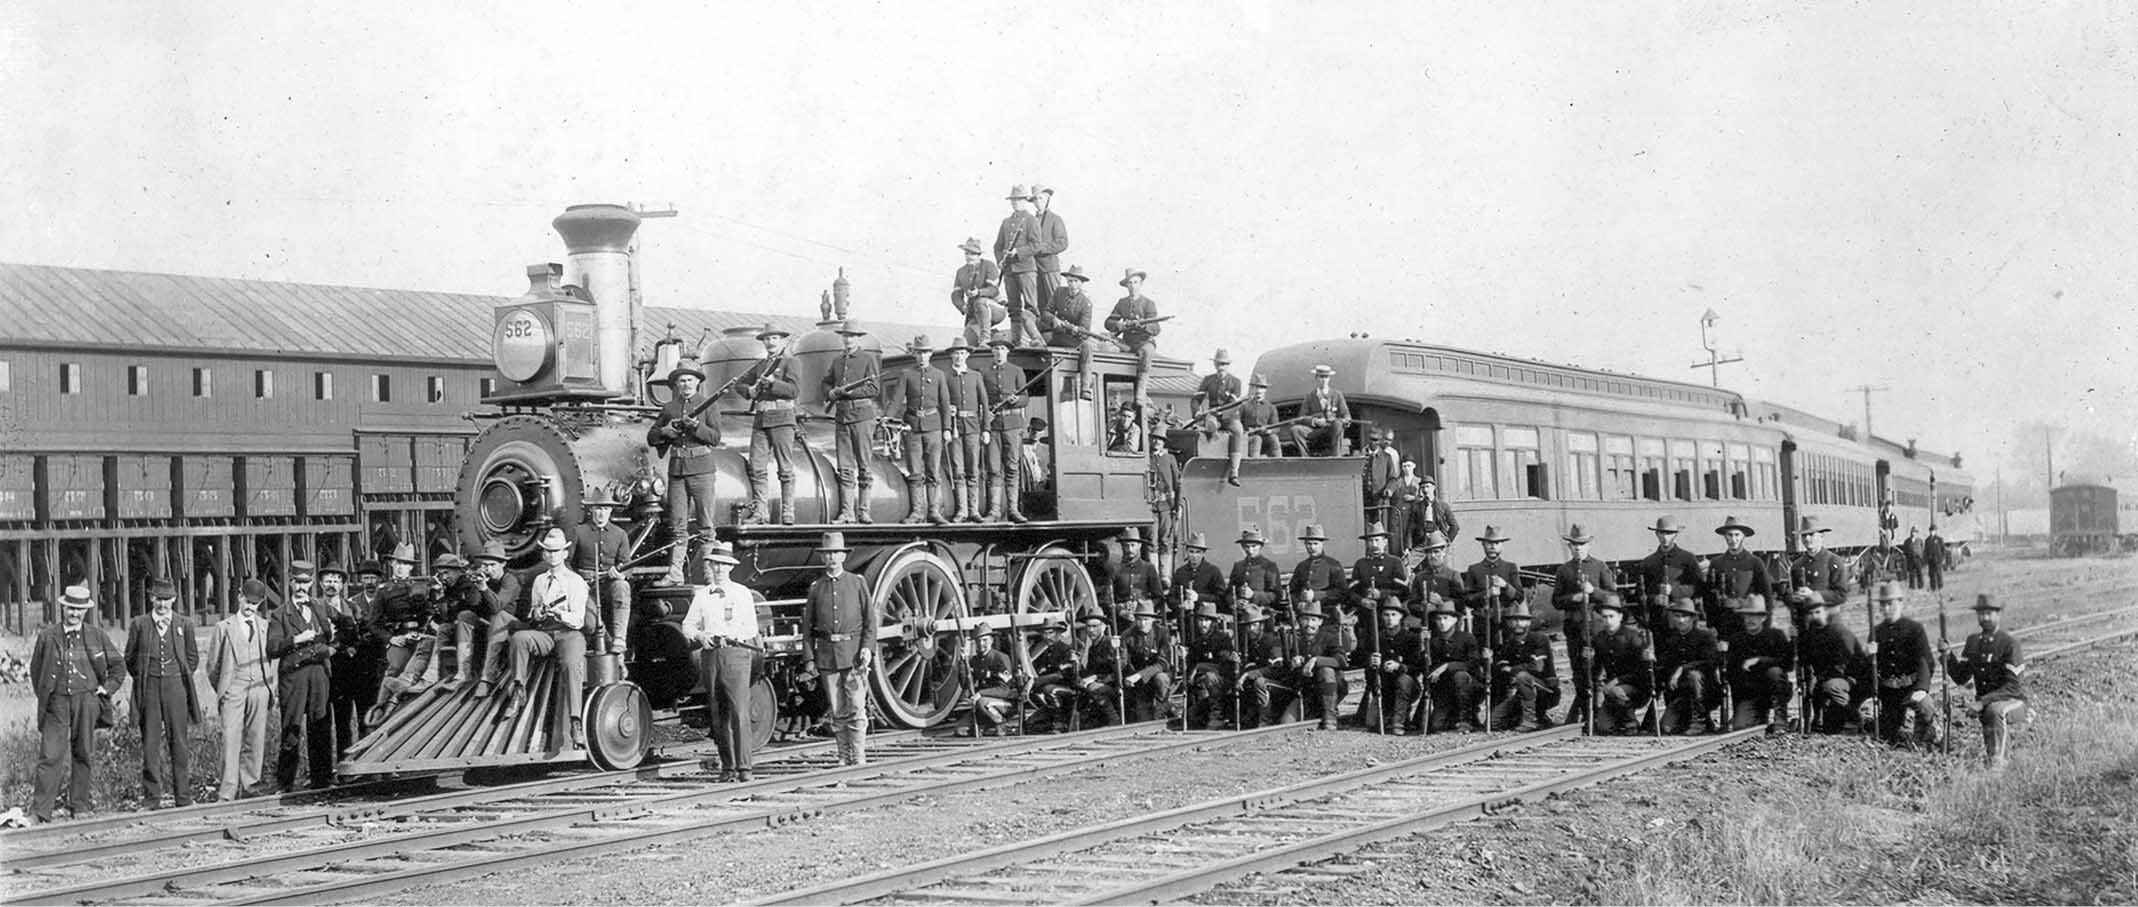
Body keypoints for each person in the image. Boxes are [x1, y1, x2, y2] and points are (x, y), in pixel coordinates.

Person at [30, 585, 124, 822]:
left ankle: (79, 806)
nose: (74, 613)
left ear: (86, 611)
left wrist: (106, 689)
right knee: (50, 755)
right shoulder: (48, 636)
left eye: (79, 609)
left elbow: (118, 667)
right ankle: (41, 812)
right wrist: (47, 696)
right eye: (71, 608)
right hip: (57, 704)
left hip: (86, 701)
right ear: (64, 607)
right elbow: (36, 670)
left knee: (83, 752)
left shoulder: (96, 635)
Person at [501, 528, 590, 749]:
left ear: (565, 553)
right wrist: (536, 614)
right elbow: (533, 612)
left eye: (556, 551)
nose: (551, 555)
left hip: (569, 633)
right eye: (548, 551)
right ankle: (518, 690)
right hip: (546, 632)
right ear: (543, 554)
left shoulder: (576, 581)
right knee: (519, 638)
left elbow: (579, 620)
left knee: (571, 665)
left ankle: (576, 722)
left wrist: (561, 614)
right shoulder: (540, 581)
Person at [681, 541, 760, 780]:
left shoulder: (742, 593)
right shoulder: (703, 596)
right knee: (718, 713)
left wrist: (733, 635)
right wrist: (700, 635)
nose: (718, 570)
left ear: (730, 568)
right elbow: (687, 625)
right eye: (714, 564)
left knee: (739, 712)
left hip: (735, 654)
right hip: (711, 655)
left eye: (722, 565)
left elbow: (751, 628)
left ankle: (744, 767)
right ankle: (728, 767)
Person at [802, 531, 878, 765]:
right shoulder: (816, 587)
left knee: (856, 708)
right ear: (823, 558)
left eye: (836, 553)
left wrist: (867, 648)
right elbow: (807, 628)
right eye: (827, 554)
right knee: (837, 711)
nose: (832, 558)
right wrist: (810, 659)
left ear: (843, 556)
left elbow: (870, 621)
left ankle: (860, 758)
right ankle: (843, 759)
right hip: (827, 657)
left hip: (853, 656)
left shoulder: (857, 583)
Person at [126, 578, 200, 808]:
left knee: (179, 741)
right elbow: (130, 658)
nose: (162, 605)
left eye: (167, 600)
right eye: (158, 599)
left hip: (176, 688)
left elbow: (192, 657)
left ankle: (183, 797)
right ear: (151, 598)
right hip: (149, 688)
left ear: (174, 599)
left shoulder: (184, 624)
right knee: (150, 743)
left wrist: (177, 675)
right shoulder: (140, 624)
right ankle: (152, 798)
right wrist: (146, 675)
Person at [647, 365, 722, 582]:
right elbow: (652, 437)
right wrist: (665, 431)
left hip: (702, 470)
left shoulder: (709, 405)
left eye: (689, 380)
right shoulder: (670, 408)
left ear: (697, 382)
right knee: (678, 526)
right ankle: (675, 573)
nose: (686, 384)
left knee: (706, 525)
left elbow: (715, 438)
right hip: (677, 472)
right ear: (676, 385)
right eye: (681, 381)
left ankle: (710, 575)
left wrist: (697, 426)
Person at [209, 580, 276, 802]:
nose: (250, 607)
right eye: (247, 601)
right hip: (234, 689)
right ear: (239, 596)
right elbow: (213, 666)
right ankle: (227, 791)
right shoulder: (223, 627)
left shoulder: (265, 626)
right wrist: (225, 690)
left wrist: (268, 688)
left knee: (255, 739)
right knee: (231, 739)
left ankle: (251, 786)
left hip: (260, 688)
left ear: (261, 604)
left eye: (255, 604)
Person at [1944, 594, 2027, 770]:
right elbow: (1961, 677)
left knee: (1995, 710)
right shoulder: (1973, 642)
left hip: (2013, 702)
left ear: (1998, 615)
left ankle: (1998, 764)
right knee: (1991, 710)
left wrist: (1982, 702)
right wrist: (1947, 656)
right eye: (1981, 614)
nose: (1985, 618)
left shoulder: (2009, 644)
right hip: (1985, 704)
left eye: (1989, 613)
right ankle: (1994, 760)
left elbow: (2014, 687)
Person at [268, 583, 337, 791]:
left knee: (321, 726)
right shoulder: (280, 614)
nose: (301, 587)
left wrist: (333, 648)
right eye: (297, 582)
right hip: (294, 676)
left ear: (311, 584)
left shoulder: (321, 607)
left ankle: (321, 781)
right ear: (290, 583)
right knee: (291, 728)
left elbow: (345, 625)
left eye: (305, 582)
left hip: (319, 674)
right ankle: (286, 783)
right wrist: (296, 639)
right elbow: (272, 648)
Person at [738, 325, 802, 526]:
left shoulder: (791, 362)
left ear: (781, 340)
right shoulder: (760, 365)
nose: (770, 342)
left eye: (774, 338)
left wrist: (774, 382)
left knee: (785, 469)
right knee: (757, 467)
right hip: (761, 418)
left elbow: (794, 391)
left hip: (783, 417)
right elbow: (738, 384)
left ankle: (788, 512)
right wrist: (750, 391)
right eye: (767, 339)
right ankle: (760, 512)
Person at [1553, 524, 1616, 723]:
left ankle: (1596, 714)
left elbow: (1613, 596)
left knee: (1595, 674)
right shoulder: (1564, 570)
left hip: (1596, 630)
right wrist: (1575, 597)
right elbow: (1556, 601)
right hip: (1574, 629)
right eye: (1574, 545)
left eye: (1582, 544)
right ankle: (1583, 712)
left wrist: (1593, 592)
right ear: (1569, 547)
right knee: (1579, 673)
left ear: (1589, 544)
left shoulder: (1600, 566)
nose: (1578, 548)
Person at [889, 334, 953, 524]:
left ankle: (934, 511)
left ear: (930, 354)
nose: (922, 356)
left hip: (934, 427)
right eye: (919, 353)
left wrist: (947, 427)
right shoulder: (906, 374)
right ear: (914, 355)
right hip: (913, 428)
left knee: (933, 471)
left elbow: (945, 402)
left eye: (925, 352)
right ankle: (917, 512)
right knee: (915, 471)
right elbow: (896, 399)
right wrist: (887, 417)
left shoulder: (939, 375)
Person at [1869, 581, 1942, 748]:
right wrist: (1869, 655)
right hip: (1889, 694)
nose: (1886, 609)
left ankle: (1927, 737)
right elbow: (1870, 668)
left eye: (1890, 604)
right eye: (1883, 605)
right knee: (1887, 734)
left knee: (1925, 707)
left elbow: (1926, 661)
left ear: (1900, 603)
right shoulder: (1876, 632)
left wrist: (1921, 688)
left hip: (1911, 688)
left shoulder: (1914, 629)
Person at [822, 323, 881, 524]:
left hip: (863, 417)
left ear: (858, 338)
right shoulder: (837, 361)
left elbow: (874, 388)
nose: (849, 340)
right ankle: (847, 512)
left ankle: (863, 511)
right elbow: (826, 382)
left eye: (853, 337)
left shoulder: (867, 359)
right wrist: (830, 393)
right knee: (845, 467)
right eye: (846, 336)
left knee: (864, 465)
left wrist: (850, 392)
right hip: (842, 416)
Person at [318, 561, 375, 754]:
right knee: (340, 721)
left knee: (362, 717)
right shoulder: (316, 608)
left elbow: (364, 634)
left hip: (354, 670)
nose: (331, 585)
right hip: (329, 671)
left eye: (335, 580)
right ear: (321, 584)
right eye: (327, 581)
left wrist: (352, 647)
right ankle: (344, 764)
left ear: (342, 585)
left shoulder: (352, 607)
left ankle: (363, 761)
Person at [572, 490, 633, 654]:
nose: (601, 513)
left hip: (607, 585)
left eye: (605, 509)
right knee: (591, 623)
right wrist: (578, 581)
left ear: (611, 510)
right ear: (591, 510)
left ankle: (620, 638)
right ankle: (611, 647)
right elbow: (568, 563)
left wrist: (621, 575)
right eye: (598, 509)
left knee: (622, 586)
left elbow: (627, 566)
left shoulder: (620, 534)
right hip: (584, 587)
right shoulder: (579, 532)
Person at [1724, 596, 1794, 732]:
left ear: (1763, 618)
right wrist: (1738, 709)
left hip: (1774, 690)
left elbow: (1787, 664)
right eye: (1748, 616)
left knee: (1775, 672)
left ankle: (1781, 721)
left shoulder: (1776, 636)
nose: (1751, 620)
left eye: (1755, 616)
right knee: (1741, 726)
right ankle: (1758, 717)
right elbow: (1732, 676)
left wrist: (1760, 660)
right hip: (1749, 693)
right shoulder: (1737, 640)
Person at [979, 336, 1030, 522]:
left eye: (1002, 349)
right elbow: (981, 400)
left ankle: (1013, 510)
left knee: (1012, 467)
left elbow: (1025, 397)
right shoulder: (984, 373)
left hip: (1012, 426)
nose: (999, 352)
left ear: (1007, 351)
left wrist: (1018, 400)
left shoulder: (1016, 371)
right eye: (996, 349)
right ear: (992, 352)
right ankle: (993, 511)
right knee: (993, 469)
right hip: (993, 426)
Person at [1653, 596, 1721, 735]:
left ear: (1693, 618)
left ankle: (1700, 720)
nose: (1681, 620)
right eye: (1677, 616)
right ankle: (1695, 720)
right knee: (1666, 728)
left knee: (1693, 675)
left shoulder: (1705, 637)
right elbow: (1664, 667)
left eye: (1685, 617)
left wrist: (1682, 669)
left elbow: (1710, 663)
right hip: (1680, 695)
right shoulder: (1671, 639)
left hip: (1705, 692)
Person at [1800, 598, 1869, 734]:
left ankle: (1854, 718)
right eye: (1810, 613)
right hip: (1829, 680)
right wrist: (1794, 639)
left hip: (1853, 679)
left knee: (1831, 686)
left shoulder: (1838, 631)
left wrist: (1820, 680)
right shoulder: (1809, 635)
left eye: (1818, 612)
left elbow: (1847, 663)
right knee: (1830, 728)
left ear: (1826, 612)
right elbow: (1801, 659)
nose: (1814, 616)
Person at [1589, 594, 1654, 735]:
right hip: (1611, 689)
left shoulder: (1633, 637)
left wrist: (1617, 681)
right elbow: (1595, 669)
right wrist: (1587, 660)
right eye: (1604, 617)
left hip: (1636, 688)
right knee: (1604, 728)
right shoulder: (1600, 639)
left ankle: (1631, 724)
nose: (1607, 621)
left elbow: (1641, 671)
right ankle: (1619, 719)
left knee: (1616, 692)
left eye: (1611, 616)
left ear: (1620, 616)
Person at [1489, 603, 1558, 732]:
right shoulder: (1510, 643)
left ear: (1528, 622)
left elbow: (1537, 667)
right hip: (1522, 693)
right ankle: (1538, 718)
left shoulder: (1539, 638)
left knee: (1522, 676)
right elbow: (1500, 665)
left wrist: (1512, 670)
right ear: (1509, 623)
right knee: (1494, 722)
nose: (1518, 624)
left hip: (1545, 690)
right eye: (1513, 620)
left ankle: (1530, 720)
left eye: (1522, 620)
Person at [1417, 597, 1484, 732]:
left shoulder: (1467, 638)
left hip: (1469, 686)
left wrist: (1448, 666)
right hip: (1444, 690)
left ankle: (1466, 719)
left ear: (1454, 620)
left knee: (1460, 676)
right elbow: (1425, 668)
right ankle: (1452, 717)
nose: (1442, 622)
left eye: (1446, 618)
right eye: (1439, 619)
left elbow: (1473, 663)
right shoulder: (1433, 642)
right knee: (1436, 726)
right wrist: (1422, 645)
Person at [943, 339, 988, 523]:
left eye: (962, 353)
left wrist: (986, 429)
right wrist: (946, 423)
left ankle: (974, 510)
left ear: (967, 355)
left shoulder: (976, 376)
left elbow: (984, 405)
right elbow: (941, 402)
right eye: (955, 353)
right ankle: (962, 511)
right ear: (951, 356)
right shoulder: (945, 376)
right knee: (958, 469)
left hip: (972, 428)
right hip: (954, 428)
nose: (959, 356)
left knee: (973, 470)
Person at [1039, 264, 1099, 401]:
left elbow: (1084, 331)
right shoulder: (1059, 292)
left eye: (1075, 281)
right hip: (1056, 335)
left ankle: (1085, 388)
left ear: (1081, 283)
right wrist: (1054, 319)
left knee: (1087, 347)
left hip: (1073, 339)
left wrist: (1076, 330)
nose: (1072, 284)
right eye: (1070, 281)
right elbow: (1046, 312)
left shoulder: (1086, 303)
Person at [993, 185, 1043, 347]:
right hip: (1009, 271)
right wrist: (1001, 260)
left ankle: (1036, 339)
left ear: (1025, 201)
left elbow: (1036, 245)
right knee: (1013, 307)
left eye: (1019, 200)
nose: (1016, 203)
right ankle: (1016, 342)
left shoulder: (1031, 220)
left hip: (1026, 269)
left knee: (1031, 307)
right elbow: (998, 246)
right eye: (1013, 200)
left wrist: (1018, 252)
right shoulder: (1006, 222)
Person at [1294, 601, 1355, 729]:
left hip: (1331, 688)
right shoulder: (1294, 640)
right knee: (1287, 722)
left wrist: (1317, 660)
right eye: (1305, 619)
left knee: (1326, 670)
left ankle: (1330, 717)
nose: (1309, 624)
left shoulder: (1329, 638)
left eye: (1313, 619)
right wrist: (1292, 663)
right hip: (1306, 691)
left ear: (1320, 622)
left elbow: (1341, 660)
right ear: (1300, 621)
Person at [1633, 516, 1703, 628]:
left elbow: (1699, 587)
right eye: (1662, 533)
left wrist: (1674, 590)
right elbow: (1640, 593)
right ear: (1656, 534)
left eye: (1669, 533)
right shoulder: (1648, 562)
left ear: (1676, 535)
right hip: (1659, 620)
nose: (1665, 537)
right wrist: (1654, 598)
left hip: (1683, 618)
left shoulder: (1688, 559)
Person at [1192, 349, 1247, 486]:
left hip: (1230, 416)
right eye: (1218, 364)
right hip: (1213, 416)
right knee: (1210, 426)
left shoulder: (1236, 382)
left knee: (1238, 431)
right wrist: (1197, 412)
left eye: (1224, 364)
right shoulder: (1208, 380)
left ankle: (1234, 471)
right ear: (1215, 365)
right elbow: (1196, 399)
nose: (1221, 367)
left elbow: (1234, 405)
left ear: (1228, 365)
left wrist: (1223, 413)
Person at [1366, 597, 1421, 733]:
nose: (1390, 619)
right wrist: (1372, 664)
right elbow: (1366, 673)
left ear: (1401, 616)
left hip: (1406, 686)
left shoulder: (1411, 638)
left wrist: (1399, 667)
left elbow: (1417, 668)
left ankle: (1399, 722)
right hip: (1384, 687)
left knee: (1404, 680)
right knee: (1372, 724)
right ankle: (1389, 714)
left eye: (1393, 615)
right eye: (1386, 615)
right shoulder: (1376, 638)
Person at [1785, 516, 1849, 634]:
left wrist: (1814, 595)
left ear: (1821, 536)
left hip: (1829, 625)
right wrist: (1791, 597)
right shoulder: (1797, 565)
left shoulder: (1834, 562)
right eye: (1804, 536)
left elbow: (1841, 594)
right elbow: (1792, 598)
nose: (1807, 539)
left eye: (1812, 535)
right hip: (1806, 626)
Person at [1706, 516, 1771, 631]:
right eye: (1729, 535)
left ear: (1743, 536)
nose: (1733, 539)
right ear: (1725, 537)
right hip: (1724, 623)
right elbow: (1709, 599)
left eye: (1737, 535)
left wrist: (1765, 627)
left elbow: (1766, 596)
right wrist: (1711, 625)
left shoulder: (1755, 563)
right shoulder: (1716, 563)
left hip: (1749, 623)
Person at [1183, 602, 1237, 729]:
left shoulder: (1222, 639)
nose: (1203, 624)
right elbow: (1190, 669)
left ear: (1213, 622)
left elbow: (1224, 666)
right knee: (1192, 716)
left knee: (1210, 677)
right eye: (1200, 620)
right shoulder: (1196, 642)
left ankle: (1217, 715)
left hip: (1221, 683)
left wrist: (1200, 666)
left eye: (1207, 620)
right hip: (1202, 687)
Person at [1234, 605, 1287, 729]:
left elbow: (1277, 669)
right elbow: (1250, 665)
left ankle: (1265, 721)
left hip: (1280, 685)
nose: (1251, 629)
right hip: (1261, 688)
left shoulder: (1273, 641)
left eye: (1254, 625)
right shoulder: (1250, 644)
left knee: (1260, 682)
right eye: (1248, 626)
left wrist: (1249, 674)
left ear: (1262, 625)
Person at [1104, 268, 1162, 378]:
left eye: (1135, 282)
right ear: (1126, 286)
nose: (1133, 286)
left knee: (1146, 353)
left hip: (1144, 342)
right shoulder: (1122, 303)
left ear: (1141, 284)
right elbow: (1108, 322)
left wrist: (1143, 325)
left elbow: (1156, 328)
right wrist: (1118, 325)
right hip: (1127, 342)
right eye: (1130, 283)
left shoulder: (1148, 303)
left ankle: (1141, 391)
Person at [1462, 525, 1524, 628]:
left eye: (1497, 543)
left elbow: (1520, 597)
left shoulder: (1510, 568)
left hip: (1506, 623)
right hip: (1482, 623)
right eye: (1489, 543)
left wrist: (1505, 585)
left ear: (1502, 546)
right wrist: (1487, 593)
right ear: (1483, 544)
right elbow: (1467, 600)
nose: (1493, 547)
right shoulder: (1474, 569)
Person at [1119, 604, 1173, 722]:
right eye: (1139, 620)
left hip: (1157, 675)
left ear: (1152, 620)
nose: (1142, 624)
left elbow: (1164, 662)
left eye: (1145, 620)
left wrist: (1141, 675)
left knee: (1161, 678)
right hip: (1138, 682)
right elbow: (1124, 663)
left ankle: (1163, 706)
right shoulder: (1127, 635)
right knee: (1143, 720)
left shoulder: (1161, 632)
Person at [1072, 607, 1125, 727]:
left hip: (1114, 686)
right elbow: (1090, 671)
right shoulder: (1093, 648)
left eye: (1095, 626)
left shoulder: (1110, 644)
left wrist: (1096, 678)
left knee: (1093, 688)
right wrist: (1077, 664)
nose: (1091, 630)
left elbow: (1117, 672)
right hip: (1102, 685)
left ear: (1104, 627)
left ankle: (1114, 719)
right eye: (1088, 627)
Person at [1285, 364, 1351, 456]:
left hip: (1331, 430)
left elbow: (1347, 416)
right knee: (1295, 430)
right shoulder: (1310, 397)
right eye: (1321, 377)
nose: (1324, 380)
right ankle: (1306, 458)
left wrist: (1339, 421)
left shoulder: (1337, 395)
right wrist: (1315, 421)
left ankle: (1336, 457)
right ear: (1316, 378)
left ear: (1329, 379)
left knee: (1338, 425)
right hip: (1314, 431)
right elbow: (1301, 417)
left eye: (1326, 377)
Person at [949, 237, 1001, 349]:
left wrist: (979, 292)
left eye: (972, 253)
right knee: (967, 342)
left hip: (994, 308)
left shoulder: (989, 266)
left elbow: (994, 290)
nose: (968, 256)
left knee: (980, 302)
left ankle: (986, 339)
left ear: (978, 255)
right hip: (976, 313)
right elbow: (955, 295)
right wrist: (963, 307)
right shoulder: (961, 272)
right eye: (966, 253)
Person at [1028, 619, 1079, 733]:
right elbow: (1039, 670)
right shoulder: (1046, 652)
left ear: (1057, 633)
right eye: (1044, 633)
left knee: (1050, 690)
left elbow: (1061, 675)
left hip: (1068, 690)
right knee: (1030, 724)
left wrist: (1037, 682)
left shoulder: (1066, 650)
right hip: (1051, 695)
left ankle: (1060, 723)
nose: (1047, 637)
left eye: (1050, 633)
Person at [1350, 523, 1409, 621]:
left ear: (1385, 542)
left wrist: (1381, 594)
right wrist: (1362, 601)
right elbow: (1351, 592)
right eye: (1370, 541)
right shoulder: (1360, 564)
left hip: (1389, 615)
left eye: (1377, 540)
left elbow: (1404, 592)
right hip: (1366, 614)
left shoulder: (1394, 562)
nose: (1374, 545)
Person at [1408, 531, 1462, 628]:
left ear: (1444, 552)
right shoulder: (1420, 577)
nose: (1433, 556)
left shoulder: (1453, 575)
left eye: (1436, 552)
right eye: (1429, 552)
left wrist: (1442, 602)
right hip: (1428, 625)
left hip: (1450, 626)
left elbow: (1461, 603)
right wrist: (1422, 607)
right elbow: (1412, 604)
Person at [1111, 528, 1165, 624]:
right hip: (1121, 622)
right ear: (1122, 547)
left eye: (1133, 545)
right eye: (1126, 546)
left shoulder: (1148, 568)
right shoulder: (1115, 569)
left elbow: (1159, 597)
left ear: (1139, 546)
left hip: (1143, 620)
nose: (1130, 549)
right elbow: (1106, 600)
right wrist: (1120, 611)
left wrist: (1144, 606)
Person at [1031, 184, 1070, 315]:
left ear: (1047, 199)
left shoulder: (1055, 219)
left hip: (1049, 268)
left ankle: (1059, 333)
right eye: (1035, 199)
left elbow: (1063, 242)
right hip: (1034, 268)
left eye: (1041, 198)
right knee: (1039, 303)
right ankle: (1044, 333)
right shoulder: (1031, 220)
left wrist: (1042, 248)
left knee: (1055, 302)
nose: (1038, 202)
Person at [1229, 528, 1284, 615]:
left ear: (1260, 546)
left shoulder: (1269, 566)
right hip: (1240, 614)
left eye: (1254, 546)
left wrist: (1253, 595)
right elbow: (1228, 593)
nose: (1250, 550)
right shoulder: (1238, 566)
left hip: (1262, 614)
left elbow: (1276, 596)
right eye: (1247, 546)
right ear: (1242, 547)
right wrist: (1236, 601)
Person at [1172, 532, 1228, 616]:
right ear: (1186, 552)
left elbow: (1221, 598)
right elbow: (1171, 597)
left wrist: (1198, 597)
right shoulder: (1180, 572)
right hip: (1185, 620)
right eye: (1191, 552)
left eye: (1198, 552)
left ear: (1203, 553)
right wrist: (1181, 605)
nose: (1194, 556)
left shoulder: (1213, 571)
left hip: (1207, 620)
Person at [1149, 437, 1181, 560]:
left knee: (1165, 540)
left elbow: (1177, 483)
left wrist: (1177, 506)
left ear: (1164, 442)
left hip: (1167, 506)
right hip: (1151, 507)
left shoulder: (1169, 459)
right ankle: (1154, 574)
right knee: (1152, 541)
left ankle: (1165, 576)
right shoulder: (1148, 458)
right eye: (1154, 439)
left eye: (1160, 440)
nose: (1157, 442)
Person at [1362, 428, 1400, 524]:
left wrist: (1389, 489)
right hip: (1363, 500)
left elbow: (1393, 478)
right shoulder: (1360, 455)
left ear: (1380, 440)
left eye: (1376, 440)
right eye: (1372, 439)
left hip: (1380, 500)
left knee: (1379, 530)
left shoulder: (1386, 457)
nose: (1374, 442)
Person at [1240, 374, 1282, 459]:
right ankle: (1255, 464)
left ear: (1265, 390)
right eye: (1256, 387)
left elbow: (1277, 427)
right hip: (1249, 439)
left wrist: (1269, 431)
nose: (1258, 391)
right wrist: (1246, 432)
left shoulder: (1270, 407)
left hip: (1265, 437)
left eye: (1261, 388)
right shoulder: (1244, 406)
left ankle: (1279, 463)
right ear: (1252, 389)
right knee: (1256, 439)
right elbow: (1238, 424)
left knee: (1274, 438)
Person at [1924, 524, 1949, 591]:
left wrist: (1942, 558)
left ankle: (1940, 586)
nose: (1932, 532)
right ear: (1929, 531)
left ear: (1936, 531)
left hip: (1938, 560)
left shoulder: (1939, 539)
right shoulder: (1927, 540)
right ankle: (1933, 587)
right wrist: (1926, 560)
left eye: (1933, 531)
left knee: (1939, 574)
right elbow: (1926, 551)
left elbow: (1943, 550)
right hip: (1930, 560)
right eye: (1931, 531)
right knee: (1931, 574)